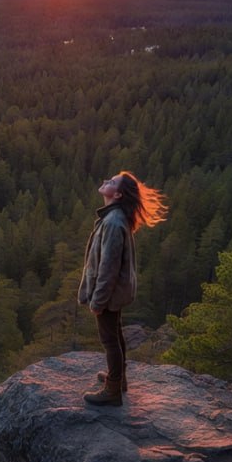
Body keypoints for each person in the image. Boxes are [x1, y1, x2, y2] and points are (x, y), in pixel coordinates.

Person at [78, 171, 167, 405]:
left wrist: (98, 300)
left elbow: (108, 268)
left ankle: (113, 391)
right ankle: (119, 379)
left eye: (112, 182)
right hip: (114, 292)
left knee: (109, 339)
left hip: (109, 293)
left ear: (117, 194)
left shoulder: (113, 221)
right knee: (115, 334)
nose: (106, 180)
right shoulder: (114, 218)